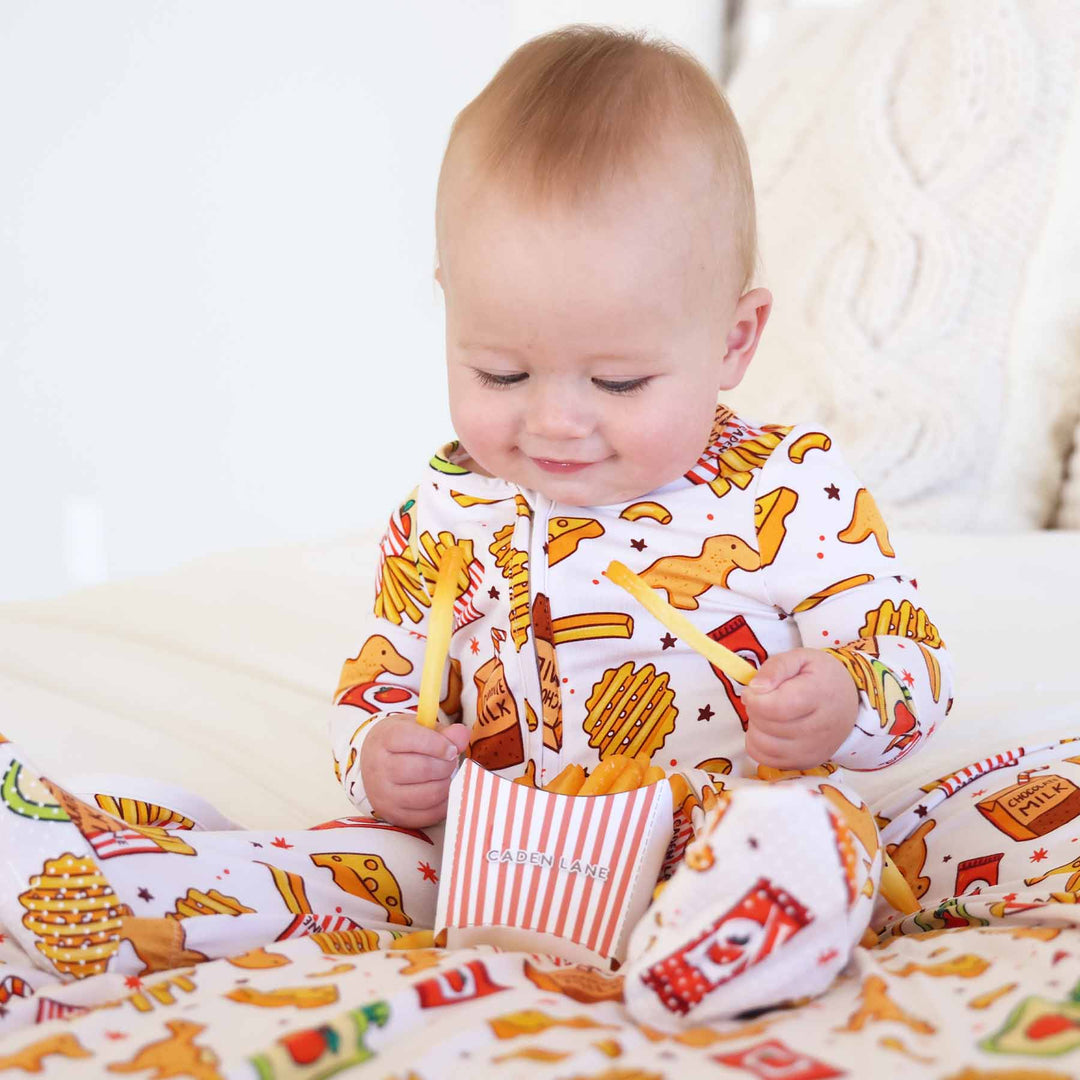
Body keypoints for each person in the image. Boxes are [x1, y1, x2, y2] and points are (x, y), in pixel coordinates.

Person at [329, 24, 953, 1025]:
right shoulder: (446, 509)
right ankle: (127, 881)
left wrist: (845, 695)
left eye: (617, 380)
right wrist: (377, 754)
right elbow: (382, 675)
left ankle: (713, 949)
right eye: (500, 372)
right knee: (349, 862)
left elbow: (911, 660)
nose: (554, 420)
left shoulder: (786, 491)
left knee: (827, 834)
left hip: (715, 837)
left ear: (732, 340)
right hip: (500, 854)